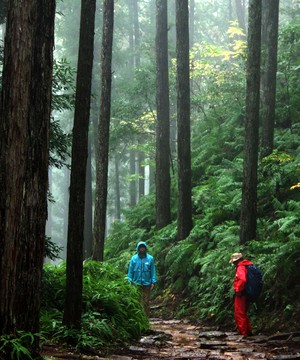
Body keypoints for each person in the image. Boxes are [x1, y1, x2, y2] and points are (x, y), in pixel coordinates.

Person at [128, 241, 157, 316]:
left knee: (146, 302)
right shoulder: (133, 259)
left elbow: (153, 270)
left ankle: (145, 318)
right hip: (136, 283)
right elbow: (130, 271)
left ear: (145, 248)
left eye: (143, 247)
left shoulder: (150, 258)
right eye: (140, 247)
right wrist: (129, 280)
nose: (142, 249)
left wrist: (153, 282)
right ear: (138, 248)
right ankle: (138, 318)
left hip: (147, 283)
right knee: (137, 301)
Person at [229, 252, 253, 337]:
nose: (234, 264)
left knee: (239, 313)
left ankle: (243, 333)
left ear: (237, 261)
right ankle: (248, 331)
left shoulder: (241, 268)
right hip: (246, 293)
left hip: (241, 293)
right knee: (243, 312)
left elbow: (242, 280)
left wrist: (238, 290)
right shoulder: (247, 265)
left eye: (234, 262)